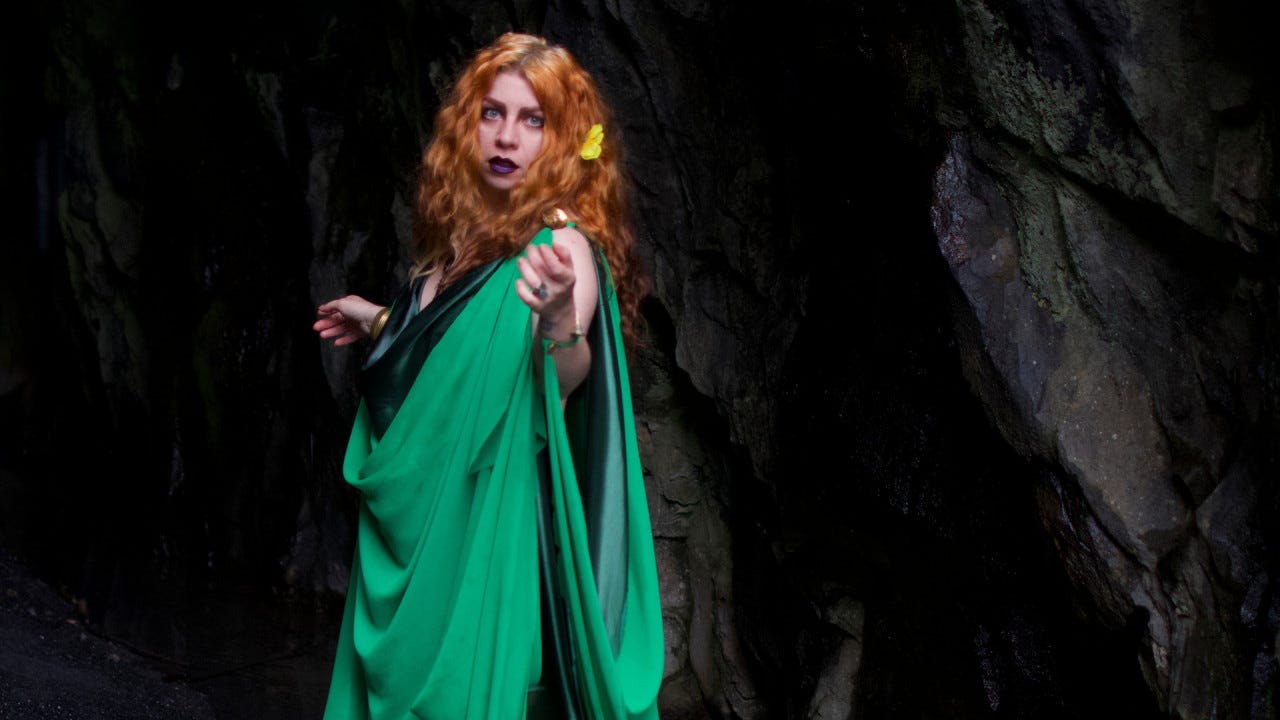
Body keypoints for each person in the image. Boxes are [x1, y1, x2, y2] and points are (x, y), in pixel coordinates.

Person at [312, 33, 663, 719]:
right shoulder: (459, 241)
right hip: (418, 535)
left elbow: (563, 381)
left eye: (533, 119)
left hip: (480, 540)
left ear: (564, 139)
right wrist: (383, 323)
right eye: (492, 112)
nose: (506, 136)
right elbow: (455, 357)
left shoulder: (561, 247)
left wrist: (560, 317)